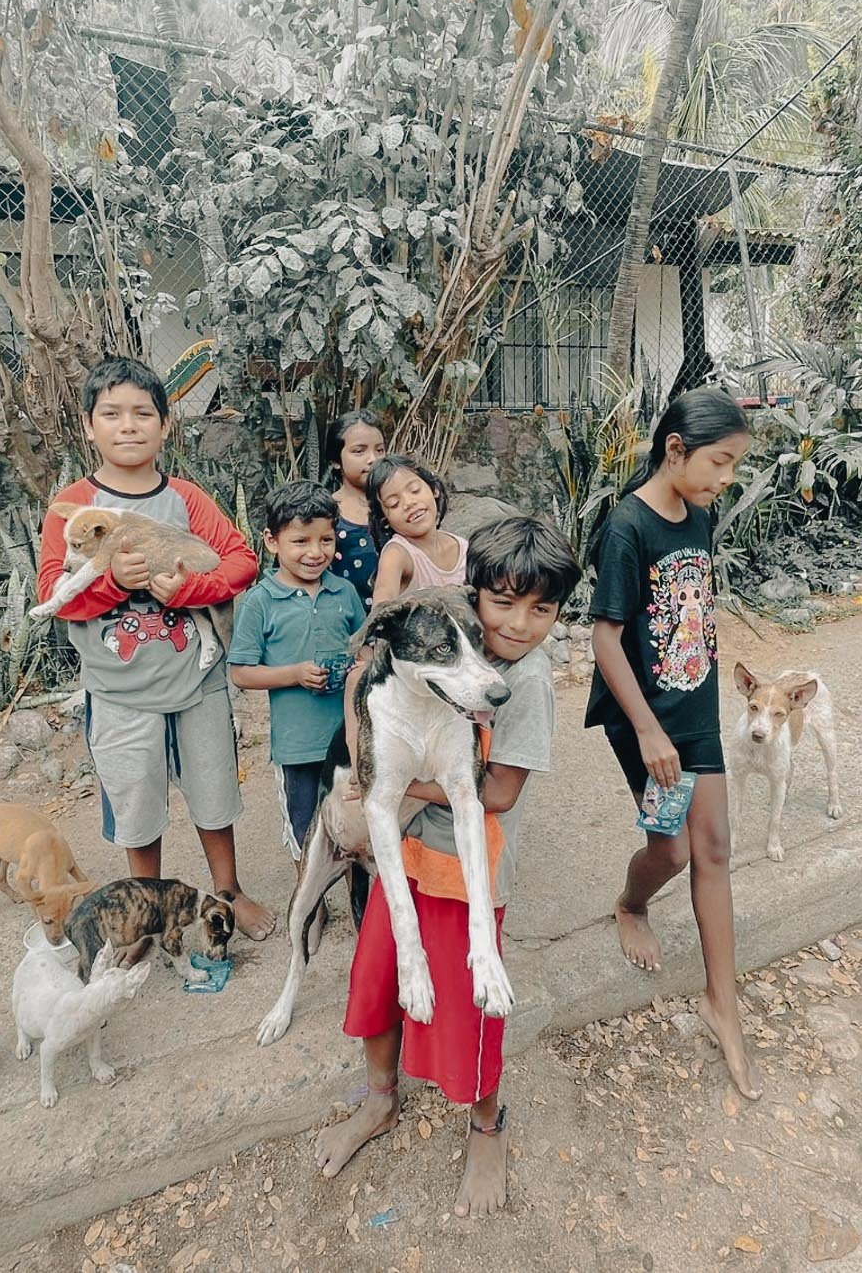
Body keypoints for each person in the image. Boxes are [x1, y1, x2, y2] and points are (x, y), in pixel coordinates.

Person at [315, 515, 582, 1218]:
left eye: (542, 609)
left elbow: (496, 793)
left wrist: (394, 782)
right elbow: (364, 679)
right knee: (376, 980)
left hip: (468, 870)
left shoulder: (524, 682)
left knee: (474, 1003)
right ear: (471, 597)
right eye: (503, 603)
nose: (519, 625)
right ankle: (379, 1100)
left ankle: (487, 1127)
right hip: (404, 857)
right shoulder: (435, 638)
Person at [35, 357, 273, 941]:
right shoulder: (73, 505)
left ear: (166, 425)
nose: (129, 425)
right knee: (136, 802)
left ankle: (228, 892)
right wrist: (114, 580)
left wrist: (194, 587)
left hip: (198, 683)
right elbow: (53, 593)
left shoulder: (186, 499)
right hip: (119, 691)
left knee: (215, 789)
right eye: (111, 414)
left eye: (144, 413)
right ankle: (149, 905)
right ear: (88, 426)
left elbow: (242, 560)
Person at [587, 386, 761, 1101]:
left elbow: (690, 615)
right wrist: (650, 729)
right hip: (644, 717)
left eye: (732, 469)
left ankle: (724, 1002)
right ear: (676, 449)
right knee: (674, 849)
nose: (724, 481)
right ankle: (631, 904)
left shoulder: (699, 518)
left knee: (715, 846)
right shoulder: (627, 527)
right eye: (719, 463)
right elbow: (603, 638)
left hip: (696, 705)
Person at [227, 480, 371, 926]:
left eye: (325, 540)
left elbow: (365, 646)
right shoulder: (260, 602)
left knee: (354, 817)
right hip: (296, 744)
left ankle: (360, 901)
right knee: (304, 823)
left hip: (347, 737)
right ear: (272, 542)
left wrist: (359, 665)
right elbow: (240, 671)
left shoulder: (343, 592)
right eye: (300, 541)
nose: (315, 552)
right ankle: (310, 902)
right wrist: (292, 674)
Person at [367, 453, 466, 603]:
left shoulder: (463, 547)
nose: (409, 503)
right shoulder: (396, 555)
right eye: (394, 503)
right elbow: (380, 610)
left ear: (434, 490)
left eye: (414, 490)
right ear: (384, 520)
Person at [324, 409, 387, 607]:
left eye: (379, 450)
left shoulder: (397, 507)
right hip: (344, 621)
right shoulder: (326, 512)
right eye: (359, 451)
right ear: (336, 461)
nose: (372, 459)